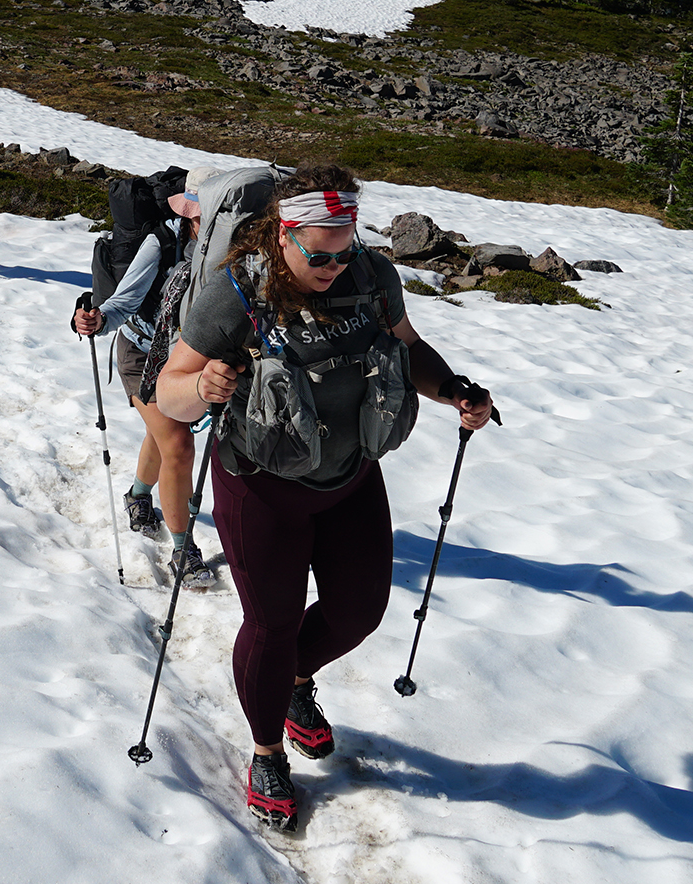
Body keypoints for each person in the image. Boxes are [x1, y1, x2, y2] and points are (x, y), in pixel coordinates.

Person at [155, 164, 494, 831]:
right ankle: (265, 751)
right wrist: (205, 388)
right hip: (262, 485)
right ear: (283, 233)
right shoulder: (234, 290)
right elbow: (170, 387)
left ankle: (293, 683)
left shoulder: (371, 276)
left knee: (358, 612)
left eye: (344, 252)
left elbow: (407, 348)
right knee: (273, 624)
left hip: (350, 475)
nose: (334, 266)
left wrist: (454, 389)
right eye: (319, 254)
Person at [73, 167, 217, 587]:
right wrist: (98, 320)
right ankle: (182, 548)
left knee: (161, 436)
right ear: (191, 212)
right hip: (142, 354)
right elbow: (127, 298)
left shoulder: (229, 249)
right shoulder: (164, 240)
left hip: (189, 363)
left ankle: (138, 497)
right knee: (177, 443)